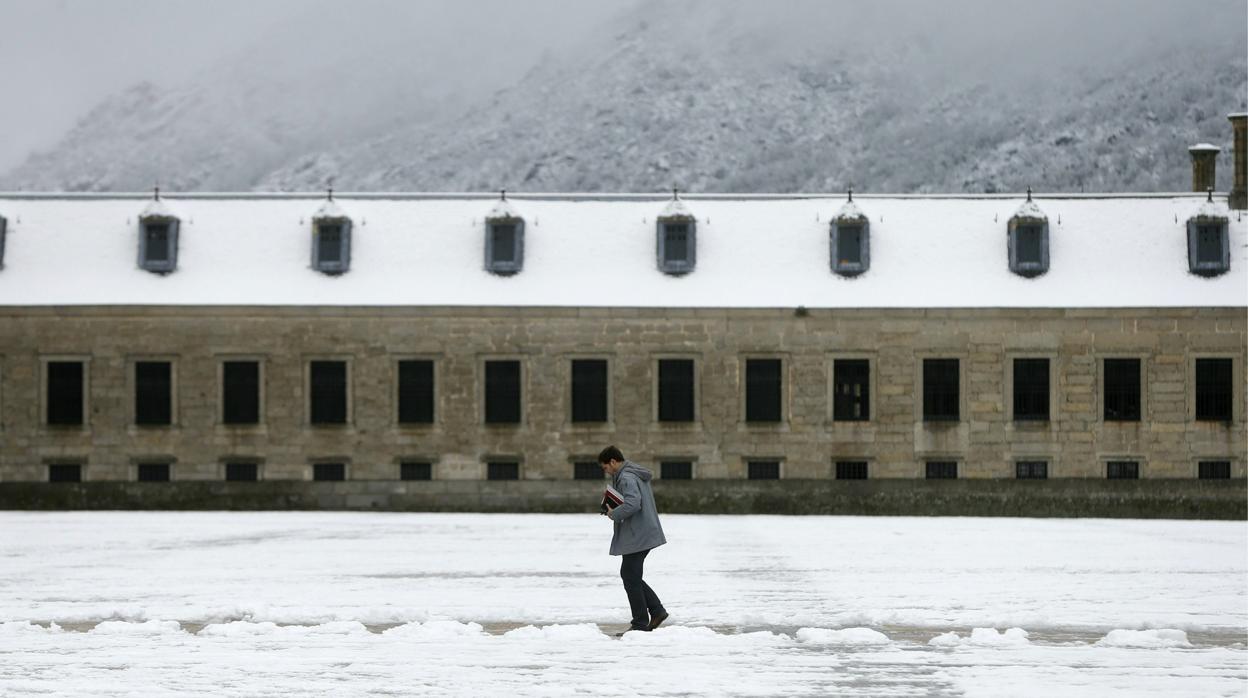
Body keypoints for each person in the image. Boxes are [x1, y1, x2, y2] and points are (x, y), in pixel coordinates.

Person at [598, 445, 668, 634]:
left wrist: (613, 513)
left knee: (630, 575)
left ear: (613, 461)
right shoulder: (630, 474)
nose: (606, 471)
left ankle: (640, 623)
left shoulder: (627, 477)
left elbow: (633, 503)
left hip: (639, 534)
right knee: (631, 575)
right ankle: (656, 611)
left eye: (605, 467)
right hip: (642, 532)